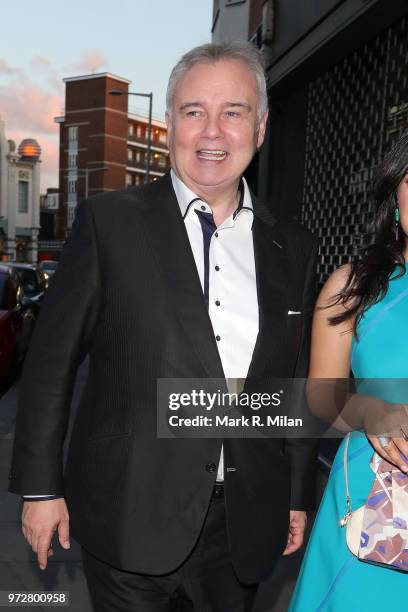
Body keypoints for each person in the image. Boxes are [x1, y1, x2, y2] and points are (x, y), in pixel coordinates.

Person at [9, 43, 318, 612]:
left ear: (263, 125)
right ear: (170, 121)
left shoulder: (292, 247)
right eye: (194, 111)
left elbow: (290, 383)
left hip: (242, 522)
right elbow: (51, 364)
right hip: (128, 512)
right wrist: (41, 488)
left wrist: (296, 493)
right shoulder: (111, 224)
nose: (213, 131)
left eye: (234, 111)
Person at [290, 132, 408, 611]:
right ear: (395, 196)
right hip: (374, 510)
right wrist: (370, 410)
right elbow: (322, 395)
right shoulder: (354, 286)